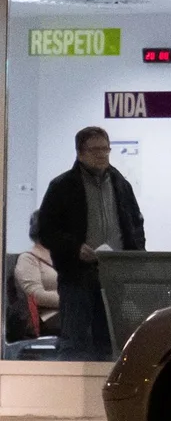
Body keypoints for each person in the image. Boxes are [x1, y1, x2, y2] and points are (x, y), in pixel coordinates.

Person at [37, 127, 146, 361]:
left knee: (109, 341)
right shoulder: (63, 186)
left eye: (105, 148)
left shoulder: (120, 184)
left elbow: (135, 222)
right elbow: (45, 230)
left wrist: (136, 257)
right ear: (80, 153)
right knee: (74, 342)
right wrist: (74, 248)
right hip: (77, 275)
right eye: (95, 149)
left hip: (114, 274)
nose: (102, 154)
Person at [12, 212, 58, 338]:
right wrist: (70, 298)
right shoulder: (27, 259)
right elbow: (36, 296)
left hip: (70, 313)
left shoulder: (63, 257)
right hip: (46, 319)